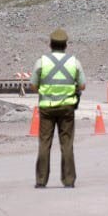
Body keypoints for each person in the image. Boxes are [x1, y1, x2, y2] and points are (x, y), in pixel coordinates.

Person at [30, 28, 86, 189]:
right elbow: (82, 85)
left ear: (50, 44)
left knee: (44, 144)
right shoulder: (74, 62)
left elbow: (33, 85)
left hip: (47, 108)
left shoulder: (41, 61)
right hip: (67, 107)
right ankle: (68, 180)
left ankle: (41, 180)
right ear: (66, 45)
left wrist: (44, 90)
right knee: (67, 144)